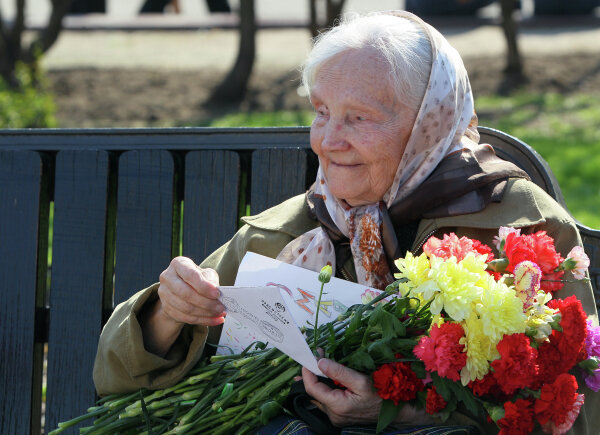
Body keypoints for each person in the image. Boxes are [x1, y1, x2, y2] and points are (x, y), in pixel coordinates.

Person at [93, 10, 599, 434]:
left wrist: (406, 414)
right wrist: (168, 313)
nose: (328, 141)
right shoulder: (286, 234)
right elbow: (114, 376)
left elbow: (580, 411)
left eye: (358, 118)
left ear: (429, 123)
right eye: (320, 111)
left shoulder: (520, 233)